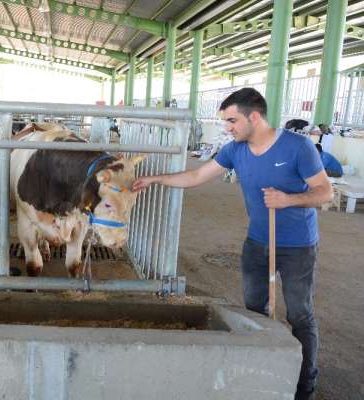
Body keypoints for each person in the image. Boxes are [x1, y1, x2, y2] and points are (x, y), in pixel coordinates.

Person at [132, 88, 333, 400]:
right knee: (254, 310)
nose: (227, 127)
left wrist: (288, 199)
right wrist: (155, 179)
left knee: (299, 315)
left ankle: (304, 385)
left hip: (297, 246)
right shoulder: (235, 149)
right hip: (257, 242)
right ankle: (264, 373)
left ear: (254, 117)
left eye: (232, 121)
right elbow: (198, 176)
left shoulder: (298, 146)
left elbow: (325, 192)